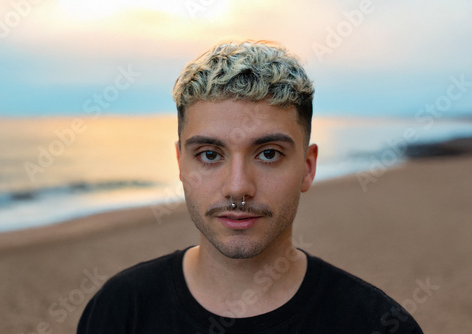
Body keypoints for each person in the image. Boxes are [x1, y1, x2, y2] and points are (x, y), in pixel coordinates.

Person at [77, 40, 422, 333]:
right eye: (210, 154)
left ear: (307, 166)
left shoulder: (376, 322)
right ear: (181, 164)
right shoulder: (120, 311)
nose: (238, 187)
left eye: (269, 154)